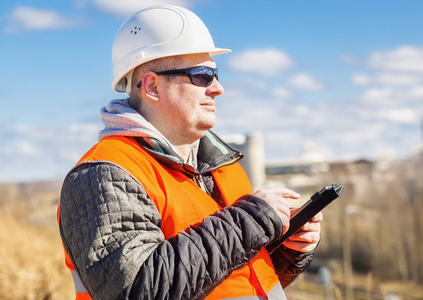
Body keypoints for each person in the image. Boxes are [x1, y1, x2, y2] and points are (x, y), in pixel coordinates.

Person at [58, 4, 323, 300]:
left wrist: (287, 250)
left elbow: (234, 279)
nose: (218, 88)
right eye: (202, 75)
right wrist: (252, 220)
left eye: (216, 73)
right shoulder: (103, 175)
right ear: (152, 86)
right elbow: (137, 290)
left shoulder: (223, 167)